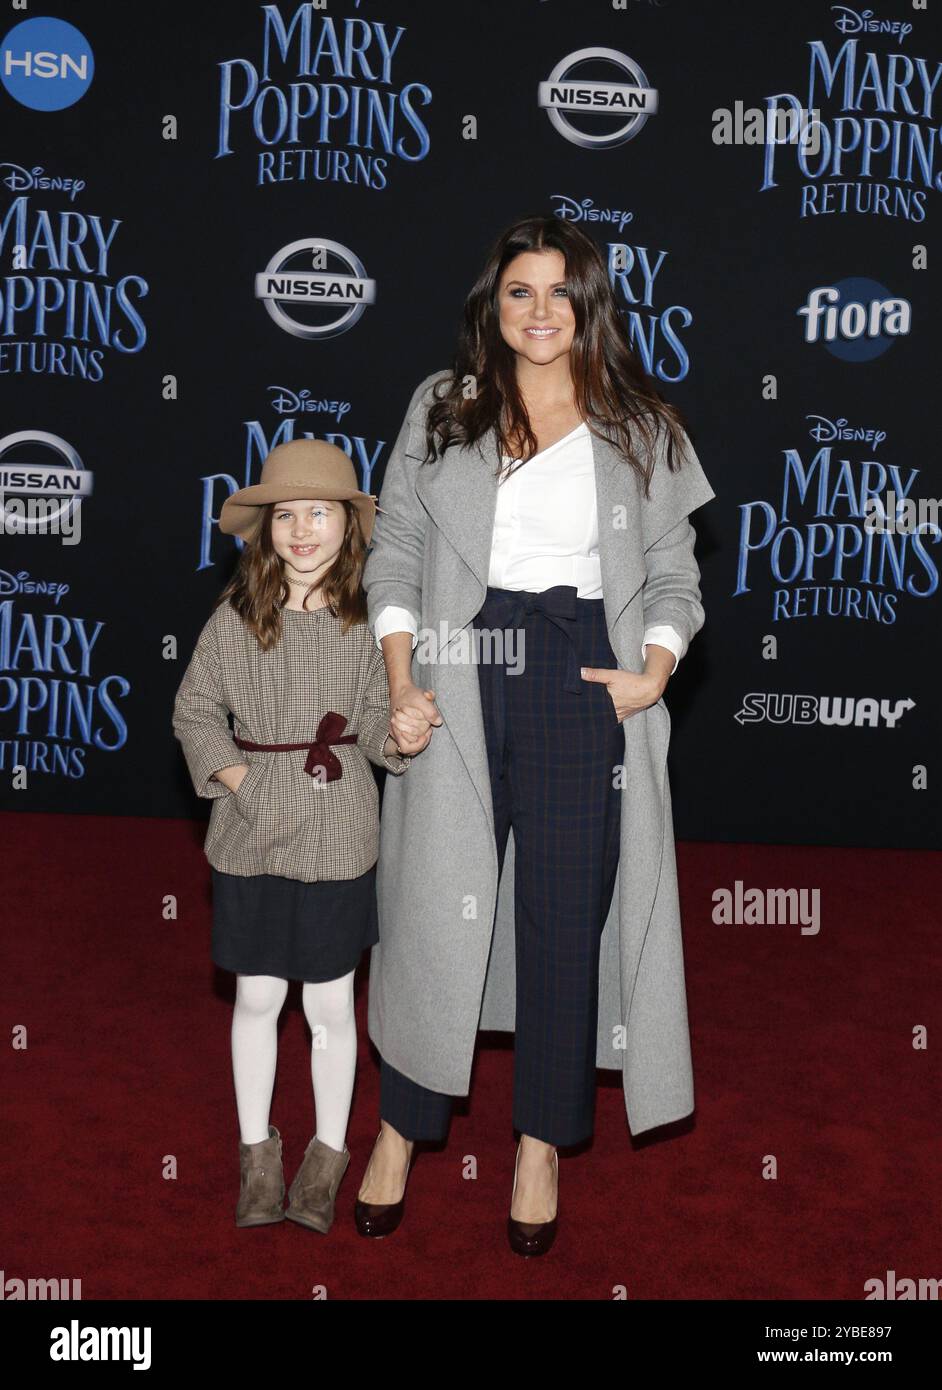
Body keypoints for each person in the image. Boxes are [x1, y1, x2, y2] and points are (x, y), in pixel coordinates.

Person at [355, 214, 716, 1255]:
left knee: (564, 917)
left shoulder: (641, 424)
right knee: (430, 906)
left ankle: (540, 1144)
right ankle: (399, 1128)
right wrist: (401, 680)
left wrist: (654, 663)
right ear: (494, 304)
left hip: (579, 676)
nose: (542, 310)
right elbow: (397, 554)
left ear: (591, 306)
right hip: (457, 669)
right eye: (521, 290)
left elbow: (680, 576)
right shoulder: (443, 406)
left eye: (563, 292)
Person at [172, 439, 411, 1234]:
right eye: (285, 515)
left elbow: (377, 724)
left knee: (331, 1007)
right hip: (248, 836)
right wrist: (242, 783)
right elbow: (195, 711)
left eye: (319, 512)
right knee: (256, 996)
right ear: (265, 528)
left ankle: (326, 1154)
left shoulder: (371, 624)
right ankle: (256, 1154)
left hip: (340, 833)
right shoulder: (235, 618)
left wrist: (403, 735)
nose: (301, 529)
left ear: (349, 523)